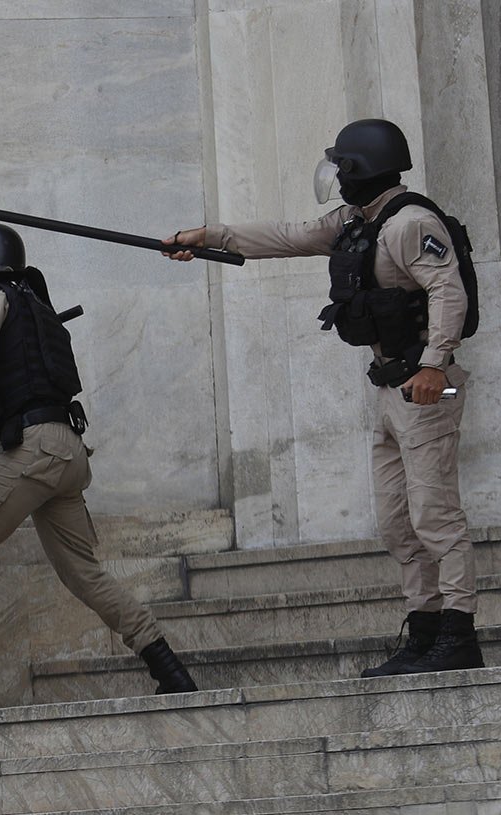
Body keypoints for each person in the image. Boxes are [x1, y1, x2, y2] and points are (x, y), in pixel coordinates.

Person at [164, 118, 482, 676]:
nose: (335, 176)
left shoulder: (411, 223)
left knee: (436, 516)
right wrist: (207, 236)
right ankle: (425, 629)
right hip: (392, 387)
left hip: (431, 387)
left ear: (360, 168)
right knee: (396, 522)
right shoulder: (355, 222)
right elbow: (285, 235)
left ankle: (459, 634)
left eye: (341, 165)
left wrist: (435, 364)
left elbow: (447, 291)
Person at [0, 216, 198, 713]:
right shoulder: (32, 304)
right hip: (66, 450)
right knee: (84, 573)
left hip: (32, 450)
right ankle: (170, 669)